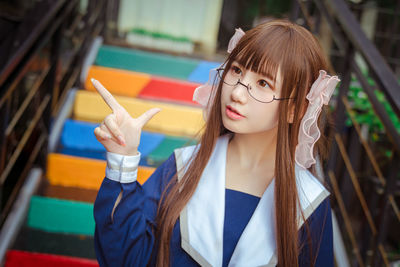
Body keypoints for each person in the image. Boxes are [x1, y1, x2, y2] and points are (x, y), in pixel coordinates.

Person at [92, 19, 340, 267]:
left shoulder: (309, 204)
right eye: (236, 71)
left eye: (263, 83)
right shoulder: (182, 167)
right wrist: (122, 157)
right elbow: (127, 259)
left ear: (294, 110)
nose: (237, 93)